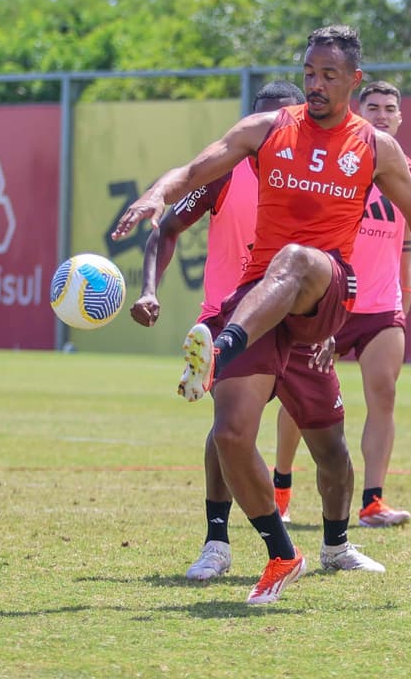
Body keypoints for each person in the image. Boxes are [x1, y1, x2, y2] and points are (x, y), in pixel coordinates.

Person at [112, 25, 411, 605]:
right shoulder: (267, 129)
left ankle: (219, 351)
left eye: (329, 76)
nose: (316, 85)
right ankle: (281, 553)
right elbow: (196, 169)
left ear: (353, 79)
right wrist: (157, 193)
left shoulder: (374, 146)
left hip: (328, 288)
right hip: (261, 301)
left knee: (298, 260)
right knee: (230, 433)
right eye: (309, 74)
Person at [131, 80, 378, 580]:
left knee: (331, 447)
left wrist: (328, 322)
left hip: (302, 327)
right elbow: (168, 228)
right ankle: (216, 543)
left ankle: (337, 546)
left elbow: (330, 262)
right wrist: (148, 290)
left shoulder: (321, 173)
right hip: (231, 320)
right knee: (226, 433)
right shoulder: (224, 173)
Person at [271, 80, 411, 528]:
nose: (381, 114)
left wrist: (407, 291)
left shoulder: (409, 172)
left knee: (384, 394)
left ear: (400, 118)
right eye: (372, 106)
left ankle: (373, 501)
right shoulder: (340, 162)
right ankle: (281, 485)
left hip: (381, 307)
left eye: (389, 108)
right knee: (302, 396)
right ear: (358, 112)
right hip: (333, 301)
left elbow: (407, 237)